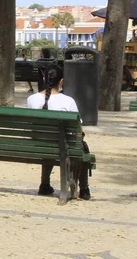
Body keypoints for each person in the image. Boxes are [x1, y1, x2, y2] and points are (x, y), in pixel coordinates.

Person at [27, 64, 92, 200]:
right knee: (82, 148)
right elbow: (78, 130)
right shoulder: (68, 101)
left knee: (49, 142)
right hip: (62, 146)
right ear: (61, 81)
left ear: (44, 79)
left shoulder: (31, 99)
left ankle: (44, 184)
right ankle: (84, 189)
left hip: (38, 145)